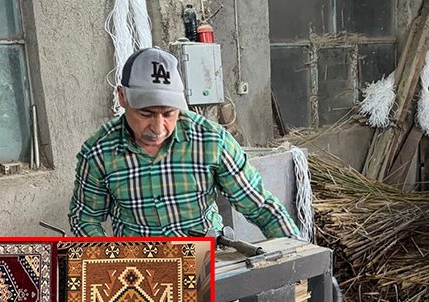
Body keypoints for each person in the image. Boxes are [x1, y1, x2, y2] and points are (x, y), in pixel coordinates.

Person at [69, 47, 300, 239]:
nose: (158, 129)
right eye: (146, 114)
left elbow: (261, 207)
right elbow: (85, 218)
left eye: (169, 113)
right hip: (139, 269)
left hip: (208, 263)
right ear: (122, 97)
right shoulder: (99, 151)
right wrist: (107, 264)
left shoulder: (210, 140)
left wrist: (298, 255)